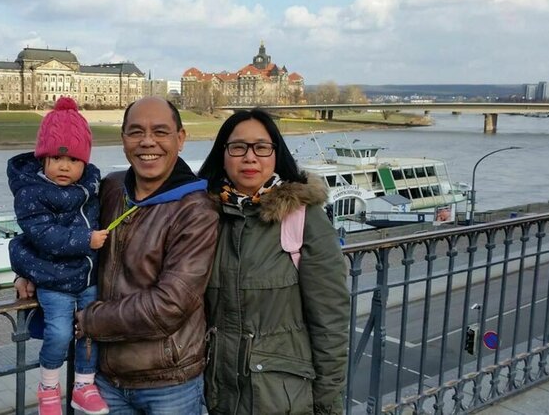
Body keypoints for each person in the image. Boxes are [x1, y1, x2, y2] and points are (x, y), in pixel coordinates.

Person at [197, 109, 349, 414]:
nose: (250, 158)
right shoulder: (201, 216)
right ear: (223, 155)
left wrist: (327, 404)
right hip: (211, 396)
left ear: (276, 154)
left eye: (261, 147)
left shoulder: (304, 218)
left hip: (281, 399)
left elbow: (330, 322)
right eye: (238, 147)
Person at [74, 96, 219, 414]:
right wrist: (29, 271)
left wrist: (88, 321)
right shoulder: (111, 187)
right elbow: (66, 232)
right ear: (123, 139)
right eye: (136, 132)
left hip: (169, 384)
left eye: (160, 132)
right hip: (106, 381)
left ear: (180, 139)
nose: (147, 142)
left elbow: (170, 305)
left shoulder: (196, 208)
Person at [8, 96, 110, 415]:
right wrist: (87, 240)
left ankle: (83, 384)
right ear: (43, 160)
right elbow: (42, 235)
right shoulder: (31, 192)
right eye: (56, 158)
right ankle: (49, 387)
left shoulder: (92, 187)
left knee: (90, 330)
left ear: (84, 163)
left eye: (73, 161)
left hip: (87, 279)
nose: (64, 166)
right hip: (54, 282)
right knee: (60, 332)